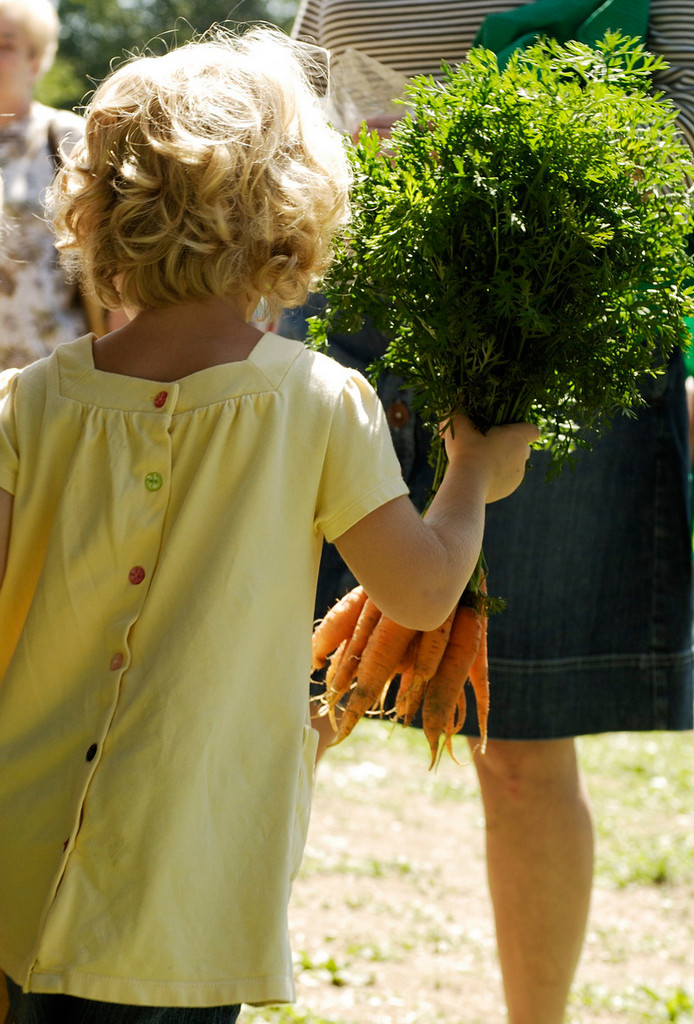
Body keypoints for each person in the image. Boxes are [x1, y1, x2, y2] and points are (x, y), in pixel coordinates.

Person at [0, 25, 536, 1024]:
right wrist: (471, 478)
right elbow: (419, 590)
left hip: (15, 855)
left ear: (98, 214)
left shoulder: (27, 403)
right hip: (183, 876)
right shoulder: (317, 401)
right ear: (295, 218)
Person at [286, 3, 694, 1024]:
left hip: (558, 313)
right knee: (274, 701)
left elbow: (681, 119)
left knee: (518, 740)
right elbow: (300, 82)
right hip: (366, 299)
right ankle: (184, 983)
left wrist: (536, 186)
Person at [0, 0, 116, 368]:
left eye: (5, 45)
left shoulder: (65, 137)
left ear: (35, 62)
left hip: (52, 375)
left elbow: (113, 258)